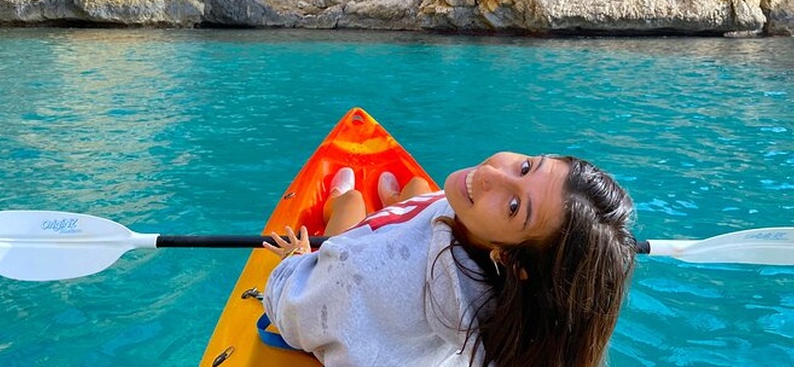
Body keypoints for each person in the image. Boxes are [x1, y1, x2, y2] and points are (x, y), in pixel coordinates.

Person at [262, 152, 636, 367]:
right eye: (526, 167)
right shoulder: (521, 293)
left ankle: (342, 198)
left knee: (353, 205)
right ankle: (402, 200)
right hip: (408, 249)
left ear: (508, 257)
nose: (491, 173)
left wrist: (294, 262)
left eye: (514, 206)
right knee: (425, 191)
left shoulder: (366, 271)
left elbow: (296, 310)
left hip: (369, 262)